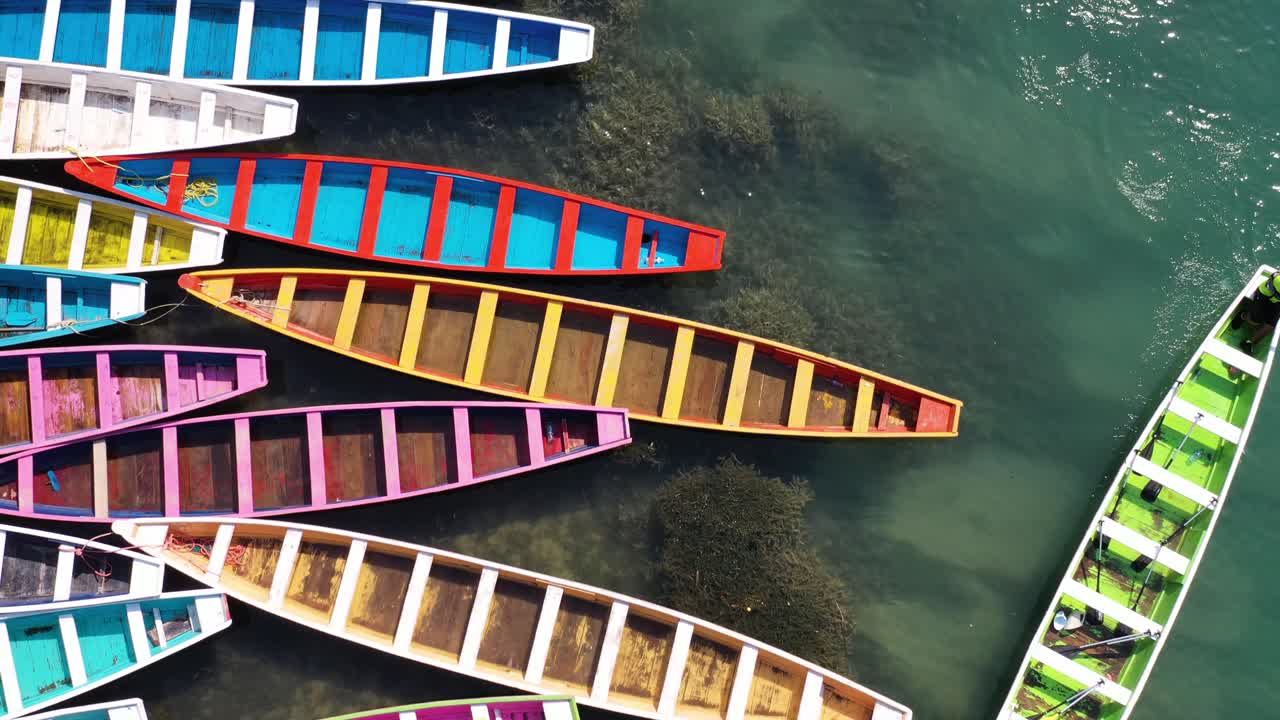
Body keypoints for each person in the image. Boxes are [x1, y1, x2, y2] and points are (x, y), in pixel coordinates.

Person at [1231, 272, 1280, 354]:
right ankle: (1243, 315)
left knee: (1272, 324)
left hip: (1276, 300)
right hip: (1263, 296)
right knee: (1255, 321)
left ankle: (1249, 343)